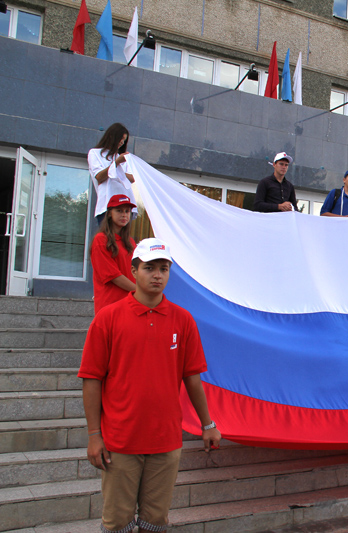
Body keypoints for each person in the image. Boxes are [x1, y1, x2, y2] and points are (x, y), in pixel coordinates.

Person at [78, 238, 222, 532]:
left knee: (155, 522)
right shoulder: (108, 319)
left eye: (164, 269)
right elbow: (91, 380)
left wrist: (208, 424)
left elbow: (192, 377)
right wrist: (94, 435)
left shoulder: (183, 320)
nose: (157, 275)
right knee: (117, 522)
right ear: (134, 271)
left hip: (165, 442)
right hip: (120, 442)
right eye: (150, 268)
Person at [90, 194, 137, 315]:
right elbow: (113, 276)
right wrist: (140, 291)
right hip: (110, 306)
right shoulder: (100, 240)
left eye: (127, 211)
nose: (124, 215)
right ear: (110, 213)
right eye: (119, 210)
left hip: (130, 304)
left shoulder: (130, 242)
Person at [88, 123, 137, 224]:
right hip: (107, 206)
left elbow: (132, 178)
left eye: (124, 140)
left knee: (121, 238)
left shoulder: (122, 158)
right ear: (112, 136)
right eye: (121, 139)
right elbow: (99, 177)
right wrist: (116, 164)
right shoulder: (95, 153)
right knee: (108, 238)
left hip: (125, 205)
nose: (122, 143)